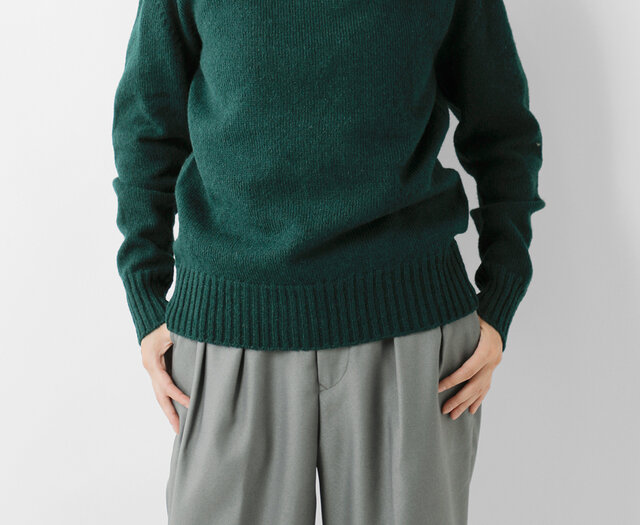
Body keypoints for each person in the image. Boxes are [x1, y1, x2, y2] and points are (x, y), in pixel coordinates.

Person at [111, 1, 545, 523]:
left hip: (410, 329)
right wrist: (145, 295)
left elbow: (502, 128)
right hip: (231, 325)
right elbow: (147, 124)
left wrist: (502, 293)